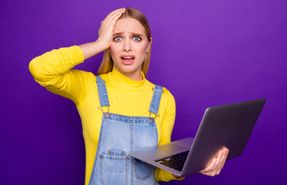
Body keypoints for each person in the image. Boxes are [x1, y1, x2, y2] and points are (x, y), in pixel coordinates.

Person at [29, 7, 229, 185]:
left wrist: (191, 164)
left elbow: (159, 172)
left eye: (136, 38)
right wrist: (99, 43)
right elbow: (40, 69)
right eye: (117, 38)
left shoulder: (164, 98)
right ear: (110, 45)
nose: (127, 47)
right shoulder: (88, 87)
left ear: (148, 45)